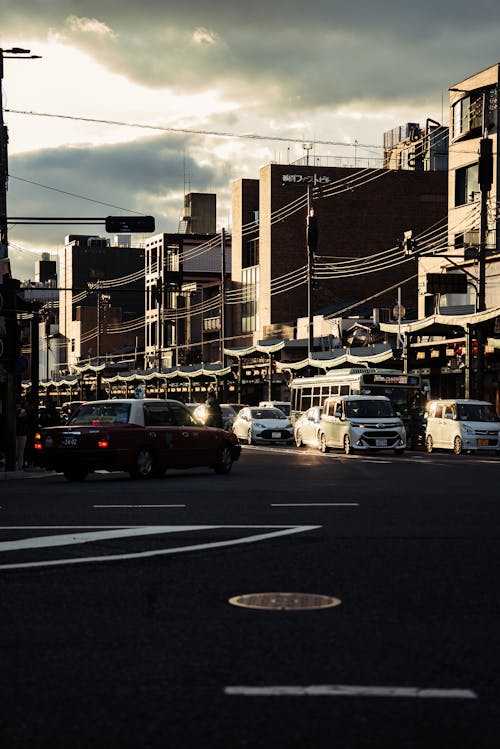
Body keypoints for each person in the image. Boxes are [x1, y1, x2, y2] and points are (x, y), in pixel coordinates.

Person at [16, 402, 28, 470]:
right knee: (17, 451)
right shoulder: (16, 412)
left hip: (22, 433)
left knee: (20, 451)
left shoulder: (23, 411)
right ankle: (18, 465)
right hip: (18, 433)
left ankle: (19, 466)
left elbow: (25, 420)